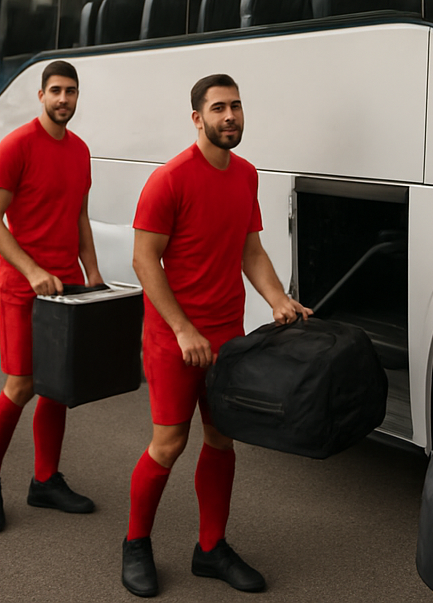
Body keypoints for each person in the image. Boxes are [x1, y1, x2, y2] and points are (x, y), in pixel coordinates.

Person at [121, 73, 311, 598]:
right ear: (197, 117)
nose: (230, 116)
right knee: (168, 444)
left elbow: (250, 249)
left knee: (222, 439)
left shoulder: (245, 174)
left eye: (237, 107)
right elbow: (144, 259)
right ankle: (136, 543)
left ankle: (210, 549)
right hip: (173, 338)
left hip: (226, 334)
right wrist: (182, 328)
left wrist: (277, 299)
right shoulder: (170, 180)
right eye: (219, 108)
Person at [0, 60, 102, 533]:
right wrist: (31, 269)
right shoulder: (16, 146)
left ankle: (45, 480)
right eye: (56, 91)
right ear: (41, 94)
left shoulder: (82, 150)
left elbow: (80, 216)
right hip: (22, 287)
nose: (64, 99)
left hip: (67, 287)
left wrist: (92, 273)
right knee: (21, 386)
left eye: (71, 91)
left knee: (57, 387)